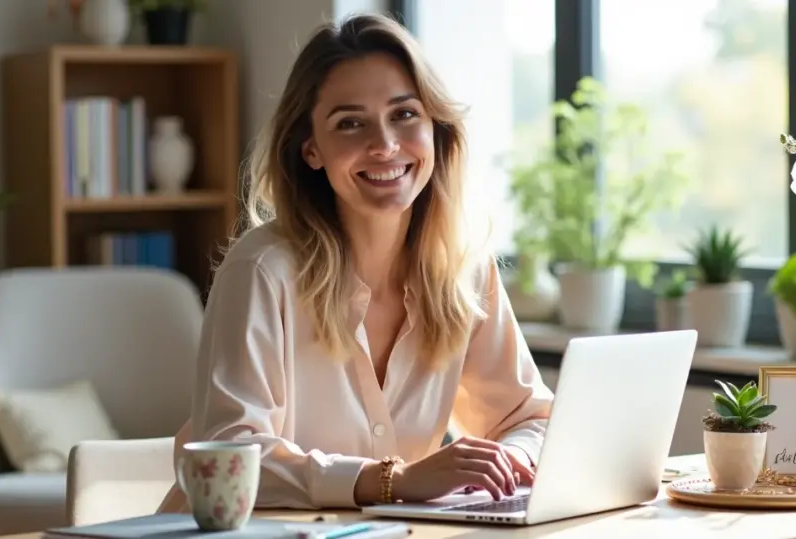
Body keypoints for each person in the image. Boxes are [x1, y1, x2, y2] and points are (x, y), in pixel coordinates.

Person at [157, 12, 554, 512]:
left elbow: (530, 418)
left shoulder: (464, 272)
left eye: (405, 114)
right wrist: (394, 480)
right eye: (350, 123)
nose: (385, 144)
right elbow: (234, 455)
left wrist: (506, 460)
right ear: (311, 149)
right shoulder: (261, 271)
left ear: (435, 129)